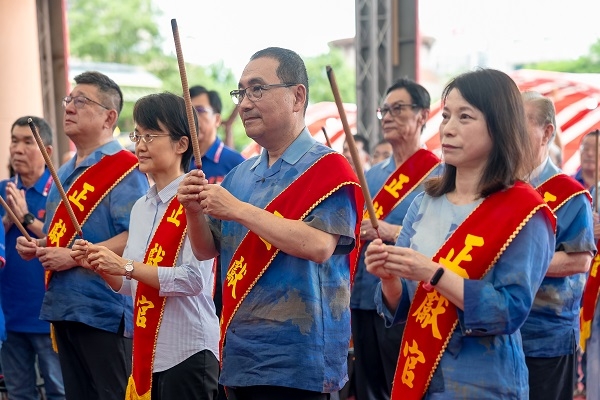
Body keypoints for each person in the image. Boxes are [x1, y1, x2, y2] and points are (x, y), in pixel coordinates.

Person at [177, 47, 364, 400]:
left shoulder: (330, 170)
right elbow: (206, 250)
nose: (245, 103)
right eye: (241, 92)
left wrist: (239, 210)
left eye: (258, 89)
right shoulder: (238, 176)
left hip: (300, 362)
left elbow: (319, 246)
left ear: (297, 96)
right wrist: (193, 210)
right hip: (241, 358)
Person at [365, 68, 557, 399]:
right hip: (419, 374)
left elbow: (508, 311)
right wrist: (388, 278)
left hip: (484, 383)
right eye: (447, 115)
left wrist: (433, 272)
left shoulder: (524, 211)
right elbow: (406, 306)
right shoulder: (426, 200)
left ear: (499, 126)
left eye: (464, 117)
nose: (448, 129)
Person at [71, 92, 220, 400]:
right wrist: (98, 264)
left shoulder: (196, 200)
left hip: (188, 352)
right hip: (149, 352)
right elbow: (131, 284)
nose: (139, 144)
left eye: (150, 135)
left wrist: (124, 266)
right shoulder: (141, 207)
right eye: (137, 134)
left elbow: (193, 280)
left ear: (181, 144)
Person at [15, 71, 149, 400]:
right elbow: (57, 237)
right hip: (63, 307)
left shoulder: (127, 168)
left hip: (102, 309)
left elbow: (137, 235)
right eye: (68, 100)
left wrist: (73, 256)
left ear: (109, 116)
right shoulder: (61, 172)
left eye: (81, 101)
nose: (69, 108)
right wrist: (39, 246)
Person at [350, 78, 441, 400]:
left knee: (403, 384)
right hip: (362, 293)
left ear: (422, 115)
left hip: (406, 297)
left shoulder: (440, 176)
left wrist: (389, 231)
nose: (388, 116)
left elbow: (444, 240)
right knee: (367, 386)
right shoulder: (371, 176)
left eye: (398, 109)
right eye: (384, 110)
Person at [520, 91, 595, 400]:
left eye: (520, 123)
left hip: (548, 334)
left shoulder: (570, 194)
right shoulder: (500, 187)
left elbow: (580, 261)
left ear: (547, 132)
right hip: (501, 334)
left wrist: (517, 265)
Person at [0, 116, 65, 400]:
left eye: (28, 142)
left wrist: (25, 217)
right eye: (15, 141)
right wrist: (6, 220)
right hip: (10, 314)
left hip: (48, 314)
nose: (18, 149)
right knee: (17, 393)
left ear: (47, 152)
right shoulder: (4, 191)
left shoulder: (60, 191)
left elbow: (66, 240)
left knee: (59, 390)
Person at [188, 85, 245, 182]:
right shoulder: (177, 162)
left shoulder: (237, 164)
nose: (192, 118)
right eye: (187, 112)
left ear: (217, 119)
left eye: (200, 110)